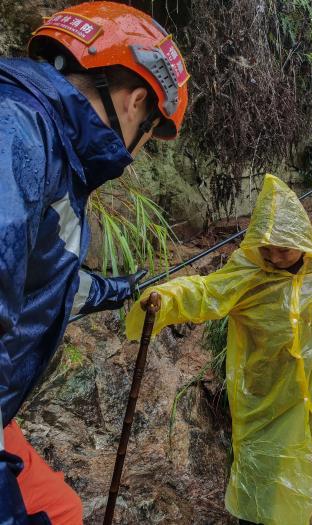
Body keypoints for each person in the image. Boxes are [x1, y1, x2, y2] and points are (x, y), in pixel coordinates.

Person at [126, 175, 312, 525]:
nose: (275, 258)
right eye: (267, 248)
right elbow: (205, 292)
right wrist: (167, 296)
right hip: (272, 380)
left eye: (284, 250)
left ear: (302, 241)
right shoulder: (248, 269)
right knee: (267, 455)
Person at [0, 2, 190, 522]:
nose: (139, 150)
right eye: (149, 133)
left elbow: (39, 278)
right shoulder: (18, 130)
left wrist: (116, 289)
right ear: (136, 102)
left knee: (62, 507)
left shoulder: (46, 145)